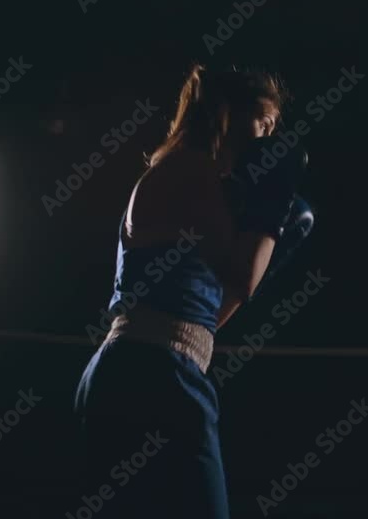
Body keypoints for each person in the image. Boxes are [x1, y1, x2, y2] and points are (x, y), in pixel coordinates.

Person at [72, 63, 307, 518]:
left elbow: (207, 318)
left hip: (136, 369)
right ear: (228, 116)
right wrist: (271, 218)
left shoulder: (176, 173)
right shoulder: (193, 173)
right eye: (264, 123)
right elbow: (242, 277)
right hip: (158, 378)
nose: (269, 138)